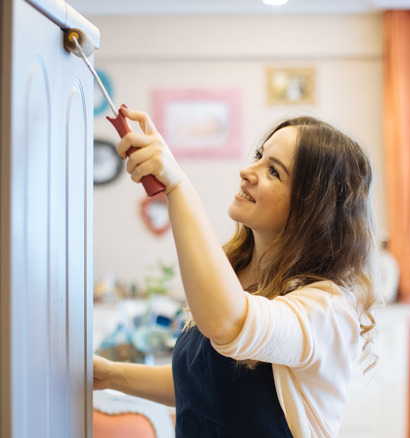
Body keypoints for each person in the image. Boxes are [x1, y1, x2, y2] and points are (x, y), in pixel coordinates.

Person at [93, 106, 380, 438]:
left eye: (274, 171)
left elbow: (228, 322)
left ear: (312, 209)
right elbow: (202, 384)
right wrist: (111, 375)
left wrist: (178, 186)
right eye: (259, 156)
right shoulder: (236, 276)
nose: (247, 171)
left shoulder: (327, 310)